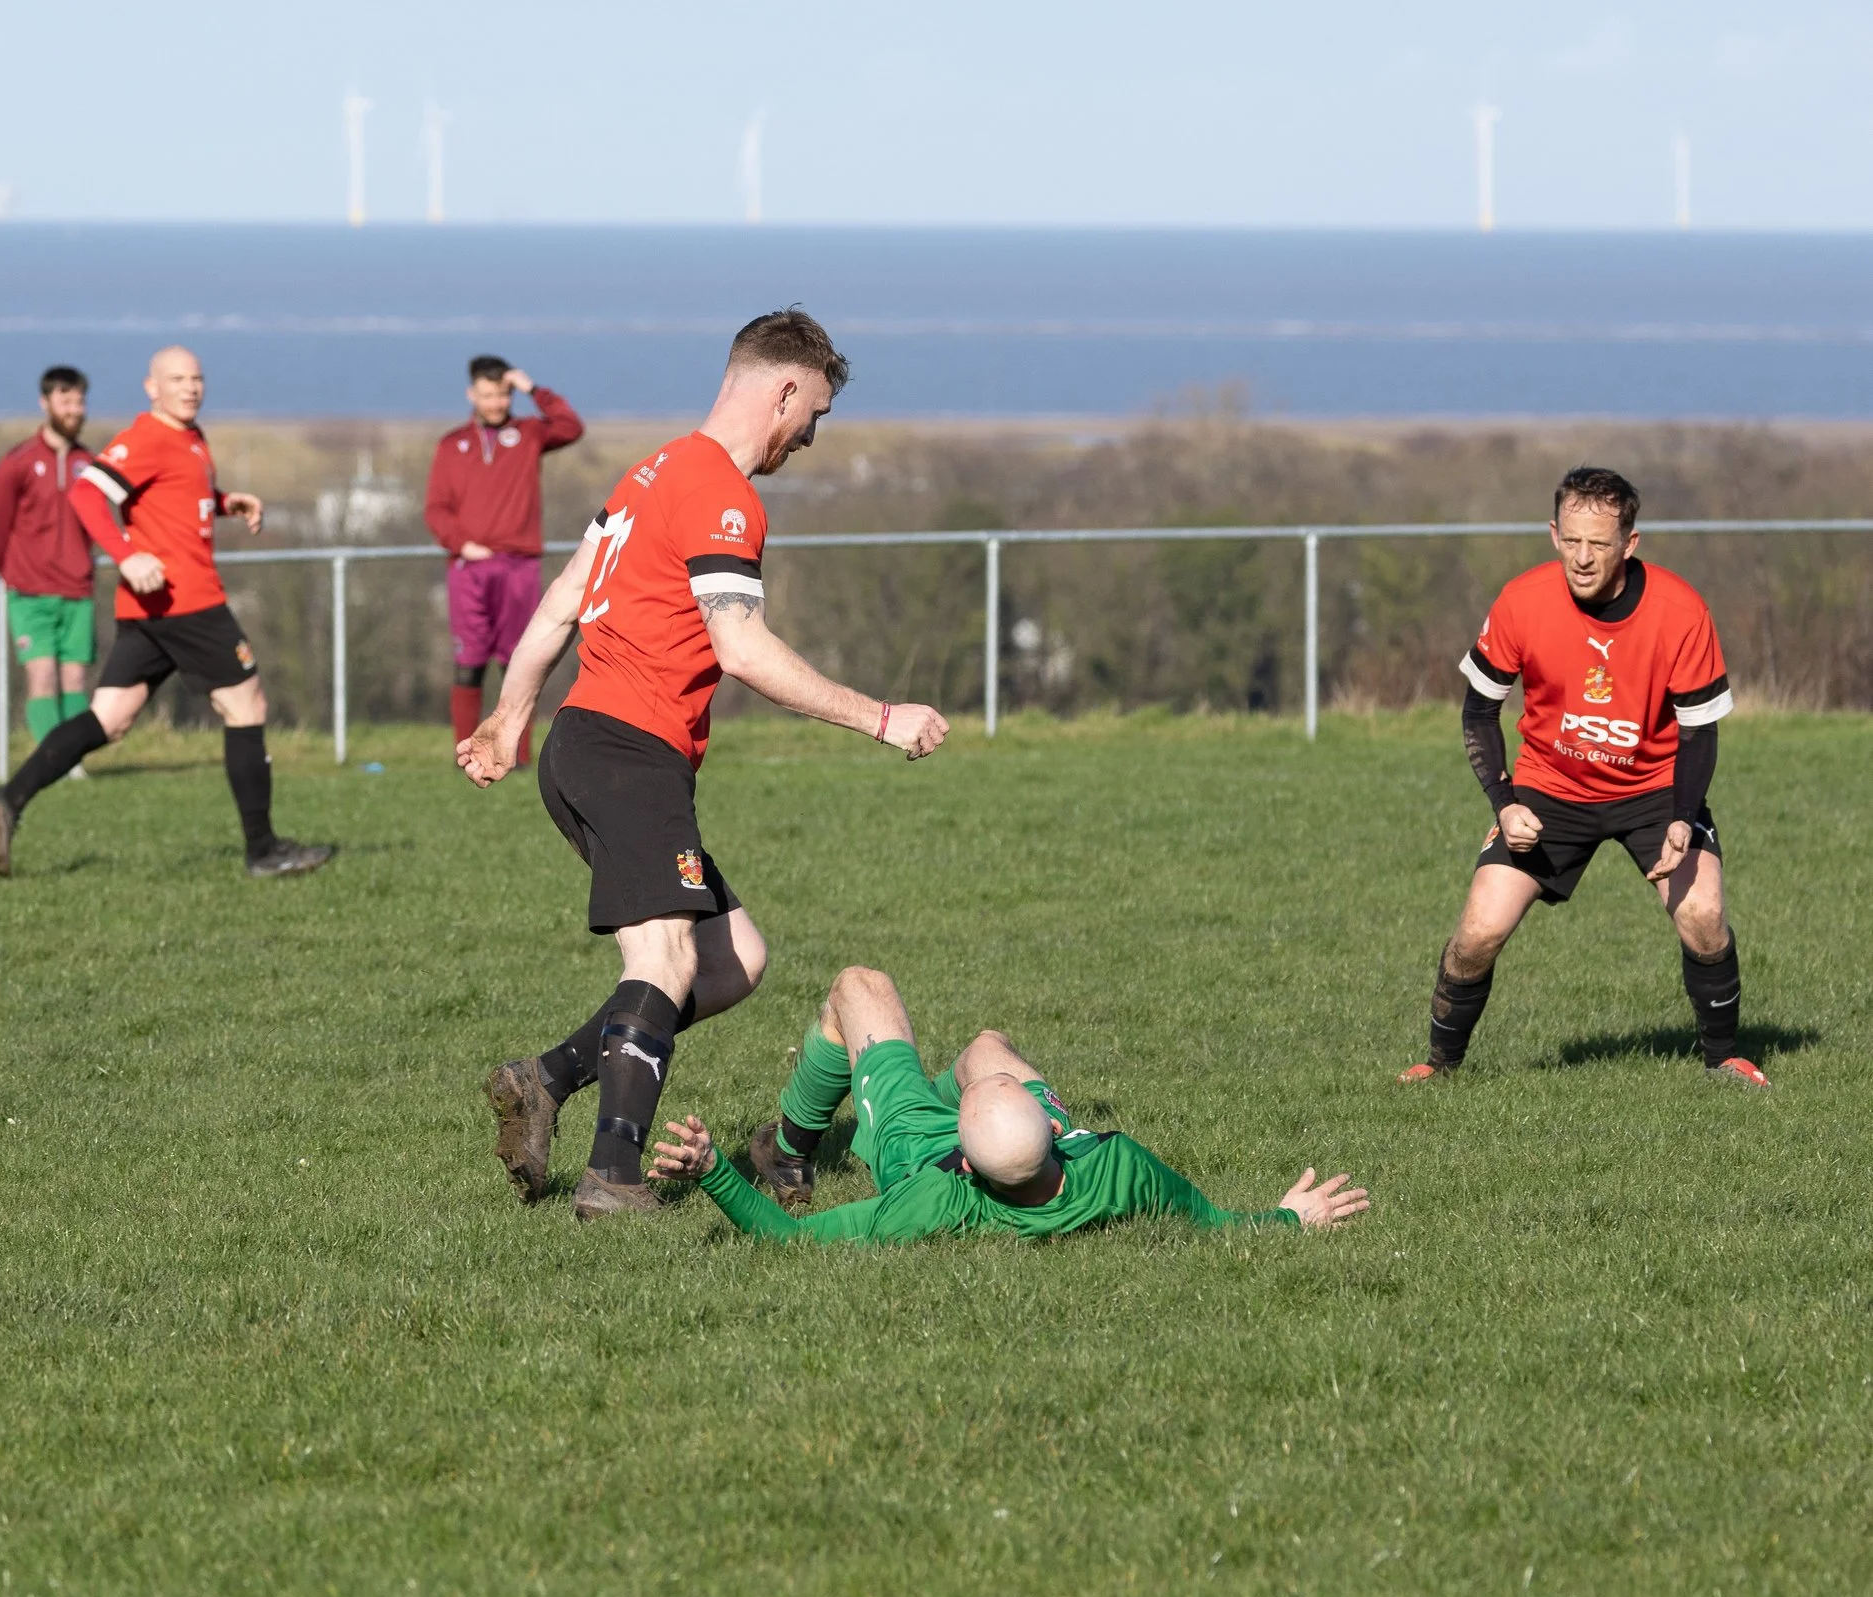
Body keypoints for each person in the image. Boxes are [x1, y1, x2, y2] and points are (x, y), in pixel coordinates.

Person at [458, 307, 951, 1221]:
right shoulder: (724, 492)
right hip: (625, 747)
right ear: (786, 389)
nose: (808, 437)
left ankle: (546, 1078)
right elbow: (742, 649)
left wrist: (511, 715)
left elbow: (566, 597)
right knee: (668, 953)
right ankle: (614, 1177)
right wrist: (880, 718)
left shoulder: (651, 471)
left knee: (735, 960)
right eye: (816, 416)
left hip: (588, 747)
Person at [1402, 466, 1765, 1086]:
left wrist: (1682, 816)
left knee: (1703, 915)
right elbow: (1479, 711)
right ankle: (1439, 1068)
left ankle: (1723, 1059)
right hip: (1550, 791)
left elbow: (1700, 731)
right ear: (1552, 533)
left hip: (1654, 791)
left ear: (1630, 543)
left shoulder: (1680, 610)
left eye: (1598, 544)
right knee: (1479, 930)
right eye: (1570, 541)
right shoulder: (1523, 600)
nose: (1582, 557)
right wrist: (1503, 802)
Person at [649, 966, 1371, 1244]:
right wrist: (1286, 1218)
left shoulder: (930, 1200)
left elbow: (791, 1243)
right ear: (1056, 1130)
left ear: (963, 1161)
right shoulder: (1115, 1166)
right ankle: (983, 1079)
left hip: (908, 1139)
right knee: (986, 1045)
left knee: (859, 988)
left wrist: (715, 1168)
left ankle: (789, 1152)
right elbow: (1214, 1221)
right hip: (1008, 1145)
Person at [0, 346, 333, 880]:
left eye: (196, 378)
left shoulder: (190, 437)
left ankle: (10, 797)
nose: (190, 387)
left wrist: (223, 500)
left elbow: (173, 494)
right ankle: (263, 850)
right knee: (246, 707)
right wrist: (126, 554)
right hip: (189, 603)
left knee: (109, 719)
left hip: (152, 611)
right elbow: (87, 494)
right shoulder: (145, 437)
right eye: (177, 379)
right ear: (151, 387)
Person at [423, 356, 584, 762]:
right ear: (472, 394)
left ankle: (516, 754)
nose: (495, 403)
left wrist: (534, 389)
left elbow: (570, 426)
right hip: (469, 567)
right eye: (488, 394)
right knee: (469, 659)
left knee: (519, 661)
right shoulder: (452, 444)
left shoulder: (529, 433)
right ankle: (466, 751)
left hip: (519, 565)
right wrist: (461, 543)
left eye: (502, 394)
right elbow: (436, 509)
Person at [0, 366, 99, 746]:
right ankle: (51, 761)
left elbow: (101, 523)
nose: (74, 410)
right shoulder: (19, 461)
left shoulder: (90, 463)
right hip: (31, 592)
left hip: (77, 589)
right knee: (42, 676)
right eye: (65, 401)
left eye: (79, 401)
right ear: (45, 402)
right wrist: (13, 571)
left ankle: (74, 759)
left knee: (75, 679)